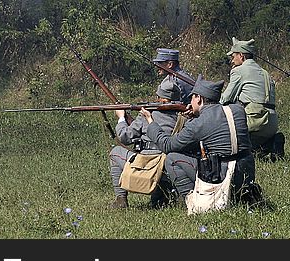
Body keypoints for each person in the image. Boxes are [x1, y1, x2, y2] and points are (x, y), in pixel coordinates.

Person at [142, 76, 261, 205]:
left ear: (199, 98)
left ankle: (192, 200)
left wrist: (150, 121)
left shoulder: (198, 124)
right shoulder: (238, 110)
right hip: (246, 175)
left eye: (192, 97)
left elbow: (167, 145)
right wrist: (195, 117)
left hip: (222, 176)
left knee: (171, 158)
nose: (190, 100)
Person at [107, 78, 184, 209]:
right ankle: (163, 197)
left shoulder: (147, 114)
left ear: (160, 98)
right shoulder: (183, 117)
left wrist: (121, 118)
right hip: (168, 166)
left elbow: (124, 137)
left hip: (146, 163)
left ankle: (121, 200)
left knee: (115, 153)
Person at [219, 37, 285, 161]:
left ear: (241, 56)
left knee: (227, 136)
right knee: (254, 148)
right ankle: (271, 144)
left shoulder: (239, 71)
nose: (232, 61)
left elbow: (226, 98)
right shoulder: (265, 72)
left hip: (255, 121)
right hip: (272, 123)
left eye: (233, 57)